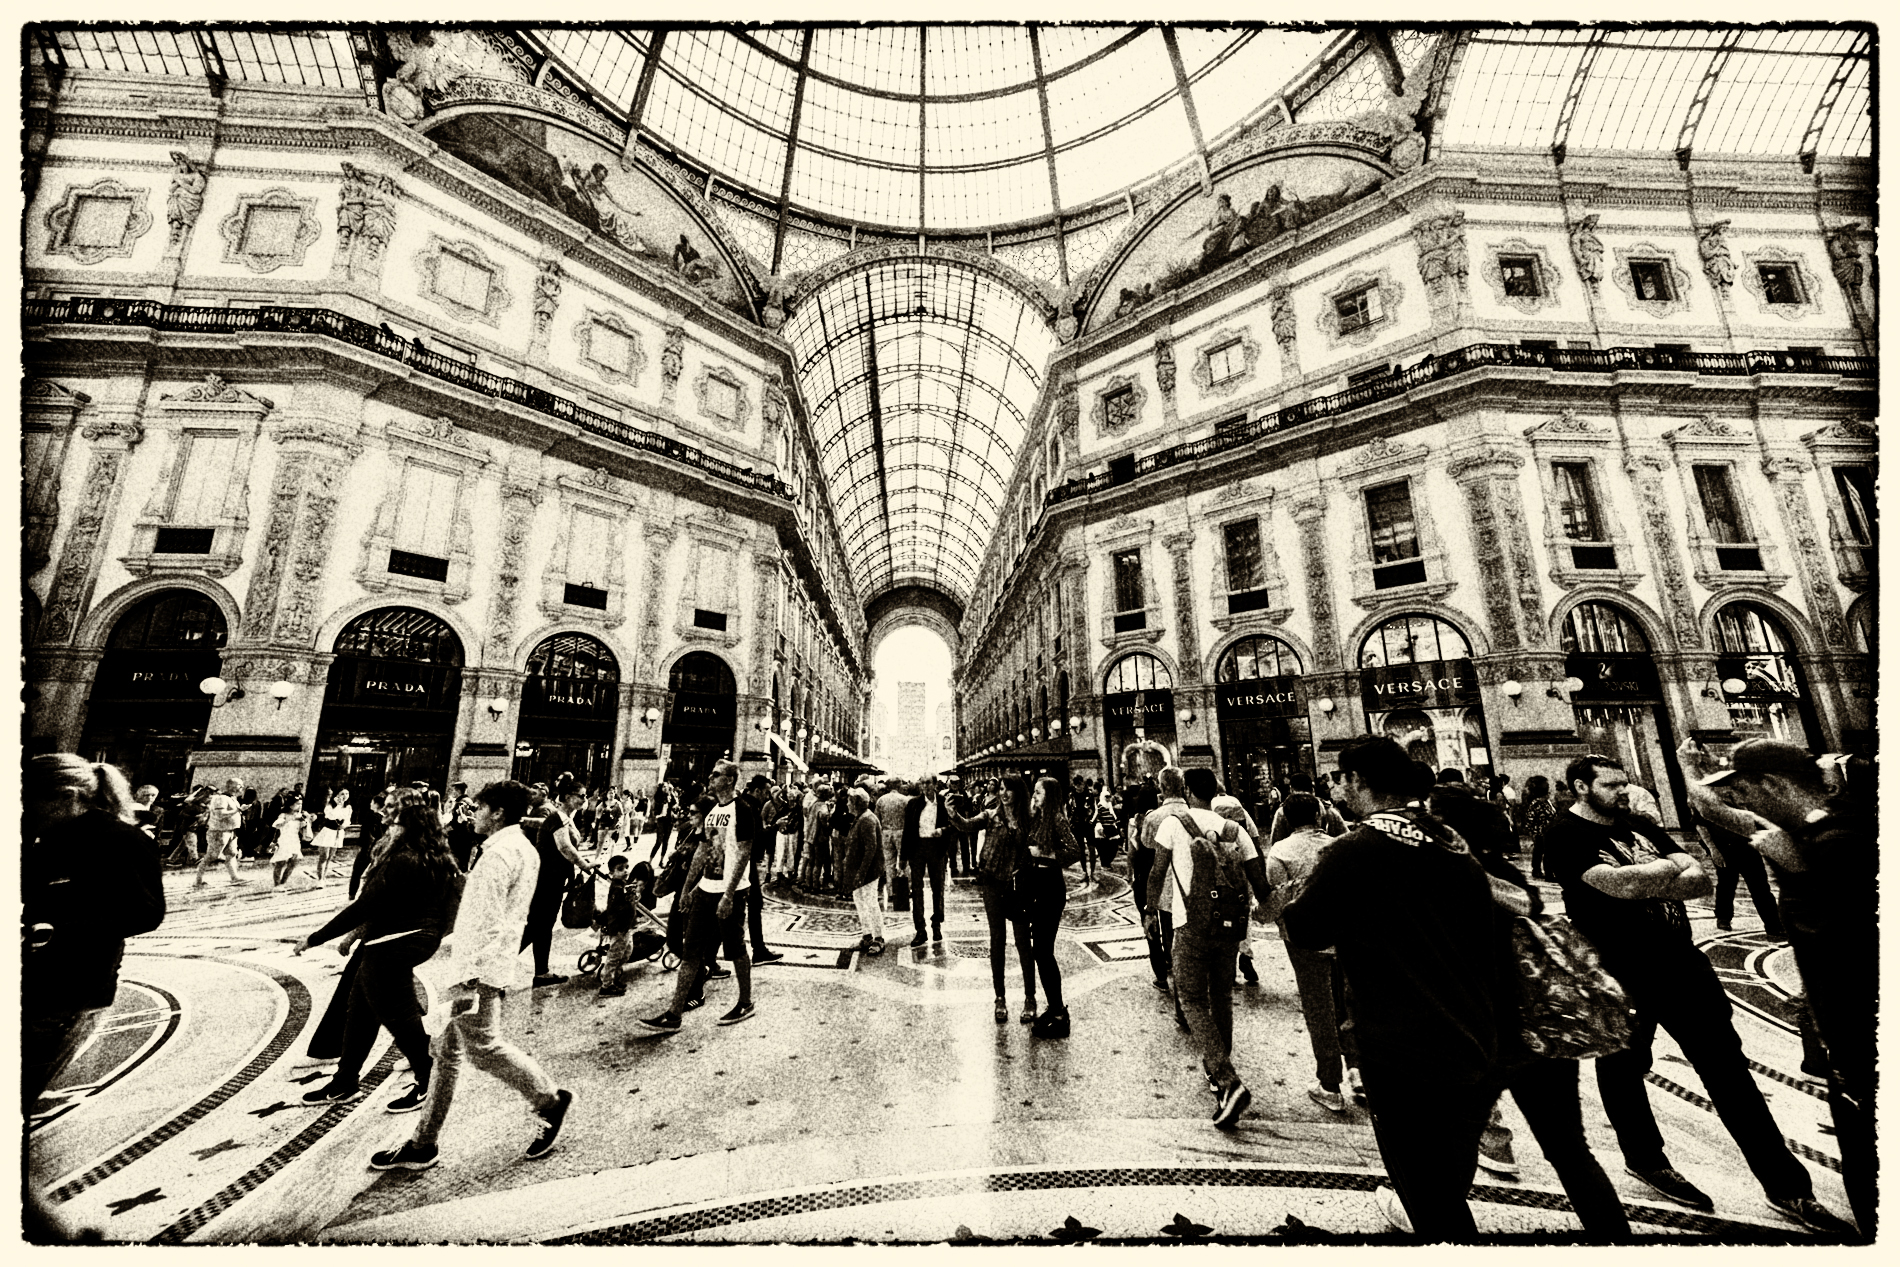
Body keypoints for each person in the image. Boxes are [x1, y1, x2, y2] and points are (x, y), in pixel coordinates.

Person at [1542, 754, 1849, 1234]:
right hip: (1621, 974)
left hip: (1685, 968)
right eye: (1611, 784)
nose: (1623, 792)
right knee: (1624, 1068)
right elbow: (1615, 884)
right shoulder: (1564, 836)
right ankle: (1645, 1158)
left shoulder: (1639, 823)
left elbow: (1701, 880)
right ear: (1581, 787)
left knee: (1729, 1074)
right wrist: (1668, 871)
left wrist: (1654, 877)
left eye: (1625, 783)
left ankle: (1789, 1187)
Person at [1284, 738, 1512, 1240]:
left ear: (1359, 782)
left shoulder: (1354, 850)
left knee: (1429, 1194)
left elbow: (1304, 928)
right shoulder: (1449, 841)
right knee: (1448, 1171)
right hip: (1475, 1029)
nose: (1336, 788)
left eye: (1341, 778)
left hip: (1402, 1042)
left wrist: (1291, 900)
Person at [1430, 781, 1633, 1239]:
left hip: (1487, 1034)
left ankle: (1436, 1226)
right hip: (1544, 1024)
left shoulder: (1446, 876)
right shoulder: (1506, 871)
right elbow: (1532, 906)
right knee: (1568, 1148)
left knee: (1452, 1144)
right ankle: (1615, 1237)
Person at [1698, 741, 1873, 1236]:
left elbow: (1848, 943)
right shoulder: (1827, 828)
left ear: (1773, 784)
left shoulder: (1838, 843)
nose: (1742, 805)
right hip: (1846, 1031)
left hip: (1863, 1031)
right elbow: (1726, 814)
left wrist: (1793, 871)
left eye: (1745, 791)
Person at [369, 781, 573, 1171]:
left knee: (484, 1047)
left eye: (479, 808)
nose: (473, 814)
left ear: (497, 812)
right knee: (445, 1054)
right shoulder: (518, 848)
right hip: (481, 967)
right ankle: (422, 1143)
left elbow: (489, 922)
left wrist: (469, 979)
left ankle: (550, 1100)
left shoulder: (500, 854)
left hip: (476, 972)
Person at [295, 799, 464, 1112]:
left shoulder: (402, 859)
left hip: (392, 943)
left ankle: (429, 1078)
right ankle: (345, 1082)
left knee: (399, 1017)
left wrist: (315, 938)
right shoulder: (439, 858)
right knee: (359, 1012)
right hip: (411, 939)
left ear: (407, 828)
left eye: (395, 822)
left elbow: (364, 906)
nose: (389, 826)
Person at [23, 756, 167, 1112]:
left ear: (68, 795)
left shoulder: (120, 840)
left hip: (69, 988)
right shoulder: (44, 837)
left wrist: (52, 931)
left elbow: (144, 912)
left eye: (28, 799)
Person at [1151, 768, 1273, 1127]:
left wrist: (1147, 912)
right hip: (1229, 927)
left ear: (1187, 790)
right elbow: (1261, 884)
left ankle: (1227, 1079)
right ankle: (1220, 1076)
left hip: (1189, 925)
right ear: (1217, 791)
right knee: (1221, 996)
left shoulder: (1173, 825)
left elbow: (1157, 873)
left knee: (1191, 999)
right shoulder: (1236, 832)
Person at [637, 762, 756, 1033]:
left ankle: (746, 1002)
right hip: (705, 889)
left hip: (732, 891)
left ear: (730, 780)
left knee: (735, 947)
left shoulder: (743, 810)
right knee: (691, 951)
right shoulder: (713, 812)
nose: (710, 778)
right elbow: (702, 852)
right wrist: (689, 888)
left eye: (716, 775)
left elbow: (744, 855)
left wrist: (728, 894)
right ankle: (674, 1013)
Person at [1263, 793, 1360, 1111]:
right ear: (1320, 815)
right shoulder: (1338, 846)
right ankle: (1359, 1073)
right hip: (1345, 935)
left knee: (1319, 1009)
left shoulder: (1280, 852)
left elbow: (1277, 905)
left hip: (1304, 941)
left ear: (1287, 819)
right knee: (1350, 1004)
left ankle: (1330, 1085)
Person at [951, 776, 1036, 1023]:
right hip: (992, 881)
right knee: (997, 938)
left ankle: (1030, 998)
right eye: (1001, 789)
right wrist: (953, 815)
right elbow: (968, 825)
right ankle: (1000, 998)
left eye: (1009, 789)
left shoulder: (1028, 819)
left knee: (1022, 941)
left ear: (1019, 792)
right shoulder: (990, 815)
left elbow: (1038, 845)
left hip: (1018, 884)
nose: (1004, 793)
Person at [521, 774, 587, 988]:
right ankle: (490, 970)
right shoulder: (558, 817)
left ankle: (542, 972)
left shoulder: (566, 817)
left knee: (542, 926)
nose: (584, 801)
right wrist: (585, 865)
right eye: (580, 796)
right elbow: (565, 847)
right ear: (567, 797)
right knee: (537, 926)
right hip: (546, 879)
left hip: (554, 879)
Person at [902, 775, 954, 947]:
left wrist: (942, 831)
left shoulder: (943, 802)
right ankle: (920, 930)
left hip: (936, 848)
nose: (925, 786)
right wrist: (902, 857)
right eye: (922, 783)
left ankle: (936, 924)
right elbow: (907, 831)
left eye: (928, 783)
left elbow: (953, 826)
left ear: (934, 784)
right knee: (916, 889)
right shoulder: (913, 803)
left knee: (937, 888)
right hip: (917, 848)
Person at [737, 775, 784, 965]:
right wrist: (775, 828)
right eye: (765, 792)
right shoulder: (749, 808)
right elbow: (755, 839)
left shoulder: (744, 804)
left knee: (751, 905)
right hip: (744, 864)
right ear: (756, 790)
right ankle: (758, 950)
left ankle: (759, 949)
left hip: (744, 862)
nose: (767, 796)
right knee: (750, 905)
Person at [593, 853, 643, 998]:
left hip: (627, 927)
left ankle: (613, 978)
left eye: (627, 867)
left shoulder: (624, 885)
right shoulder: (617, 888)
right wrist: (629, 900)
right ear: (611, 873)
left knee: (626, 952)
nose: (626, 871)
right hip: (620, 928)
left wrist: (633, 897)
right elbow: (614, 908)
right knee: (615, 956)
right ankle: (606, 986)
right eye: (621, 869)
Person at [193, 777, 248, 888]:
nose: (242, 787)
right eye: (239, 785)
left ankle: (234, 877)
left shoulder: (232, 798)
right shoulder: (221, 798)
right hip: (219, 831)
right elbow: (220, 814)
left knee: (232, 854)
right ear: (231, 786)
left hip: (231, 831)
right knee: (211, 856)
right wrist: (239, 810)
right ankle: (198, 880)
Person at [1268, 773, 1347, 842]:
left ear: (1291, 790)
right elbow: (1346, 837)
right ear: (1312, 790)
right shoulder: (1329, 810)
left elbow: (1276, 840)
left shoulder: (1282, 812)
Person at [874, 779, 911, 909]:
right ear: (898, 785)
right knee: (904, 861)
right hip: (901, 832)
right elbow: (909, 819)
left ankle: (890, 892)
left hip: (886, 832)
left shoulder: (881, 800)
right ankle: (905, 889)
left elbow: (877, 819)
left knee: (889, 863)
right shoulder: (904, 800)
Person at [313, 789, 353, 882]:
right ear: (337, 795)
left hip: (338, 833)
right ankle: (320, 879)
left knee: (330, 857)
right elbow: (330, 816)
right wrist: (338, 805)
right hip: (328, 832)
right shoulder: (330, 805)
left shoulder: (348, 807)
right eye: (342, 794)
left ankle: (324, 877)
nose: (345, 796)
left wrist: (345, 825)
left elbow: (348, 819)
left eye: (347, 793)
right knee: (324, 856)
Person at [270, 794, 308, 888]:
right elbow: (277, 826)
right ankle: (277, 885)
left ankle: (283, 883)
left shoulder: (300, 816)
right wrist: (291, 819)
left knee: (292, 863)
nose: (300, 806)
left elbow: (302, 830)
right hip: (284, 840)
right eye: (297, 804)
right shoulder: (283, 815)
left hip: (295, 841)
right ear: (291, 805)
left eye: (301, 804)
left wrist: (307, 821)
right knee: (280, 862)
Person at [1522, 775, 1556, 878]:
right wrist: (1532, 832)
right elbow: (1530, 818)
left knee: (1542, 852)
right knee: (1544, 852)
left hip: (1548, 831)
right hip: (1541, 832)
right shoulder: (1536, 802)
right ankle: (1546, 872)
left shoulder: (1546, 802)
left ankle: (1543, 871)